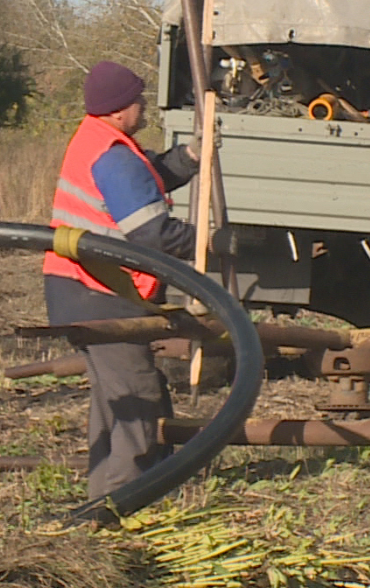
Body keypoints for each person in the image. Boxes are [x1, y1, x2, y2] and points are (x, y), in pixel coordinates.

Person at [42, 60, 231, 504]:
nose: (143, 105)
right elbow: (153, 234)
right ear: (117, 109)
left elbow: (149, 179)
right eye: (137, 100)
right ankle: (124, 504)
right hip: (100, 295)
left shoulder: (103, 141)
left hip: (80, 290)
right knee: (138, 399)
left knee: (117, 402)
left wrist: (189, 158)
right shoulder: (113, 156)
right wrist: (217, 241)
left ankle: (103, 500)